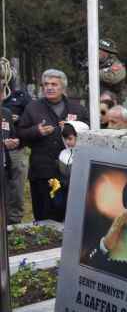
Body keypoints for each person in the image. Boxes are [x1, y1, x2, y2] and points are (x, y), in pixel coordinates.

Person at [17, 69, 89, 221]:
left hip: (71, 172)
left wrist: (74, 133)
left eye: (54, 84)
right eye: (46, 84)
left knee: (70, 217)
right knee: (43, 217)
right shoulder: (33, 108)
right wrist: (37, 131)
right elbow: (20, 134)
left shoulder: (77, 108)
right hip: (42, 172)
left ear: (63, 88)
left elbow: (89, 134)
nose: (49, 87)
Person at [52, 121, 90, 219]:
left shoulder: (86, 155)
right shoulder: (63, 154)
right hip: (64, 196)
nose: (67, 142)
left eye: (70, 138)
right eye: (65, 139)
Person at [2, 106, 22, 224]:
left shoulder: (6, 112)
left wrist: (15, 141)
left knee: (5, 206)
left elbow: (12, 135)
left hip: (4, 168)